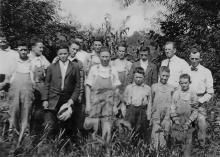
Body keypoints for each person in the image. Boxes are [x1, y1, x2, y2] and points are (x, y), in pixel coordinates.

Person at [42, 43, 80, 138]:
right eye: (60, 54)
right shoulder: (51, 67)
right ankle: (50, 147)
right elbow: (47, 84)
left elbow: (77, 86)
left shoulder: (74, 67)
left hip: (67, 99)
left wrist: (71, 100)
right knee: (50, 125)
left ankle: (65, 148)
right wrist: (45, 100)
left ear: (68, 53)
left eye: (65, 53)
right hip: (53, 99)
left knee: (66, 126)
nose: (63, 56)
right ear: (57, 54)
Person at [84, 47, 121, 144]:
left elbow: (116, 89)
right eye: (103, 56)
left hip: (108, 104)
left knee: (107, 128)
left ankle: (106, 151)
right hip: (95, 103)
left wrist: (115, 105)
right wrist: (88, 104)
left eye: (107, 56)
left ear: (110, 57)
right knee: (94, 129)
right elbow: (88, 87)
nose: (105, 59)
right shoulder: (94, 69)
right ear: (99, 57)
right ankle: (92, 152)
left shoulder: (113, 70)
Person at [8, 41, 35, 147]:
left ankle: (25, 136)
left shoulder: (31, 62)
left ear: (28, 51)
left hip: (27, 89)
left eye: (25, 50)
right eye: (21, 50)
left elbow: (34, 78)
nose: (23, 52)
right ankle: (12, 136)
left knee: (26, 111)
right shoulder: (14, 62)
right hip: (15, 89)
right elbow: (9, 77)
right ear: (17, 51)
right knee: (14, 110)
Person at [186, 46, 214, 146]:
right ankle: (188, 146)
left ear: (200, 59)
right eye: (192, 58)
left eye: (196, 59)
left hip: (200, 102)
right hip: (187, 100)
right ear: (189, 58)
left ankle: (202, 146)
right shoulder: (185, 70)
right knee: (187, 123)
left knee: (201, 123)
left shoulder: (206, 72)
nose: (194, 61)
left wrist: (200, 101)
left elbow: (210, 92)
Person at [170, 74, 198, 157]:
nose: (184, 85)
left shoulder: (193, 93)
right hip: (177, 120)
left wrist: (189, 122)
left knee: (187, 142)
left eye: (186, 83)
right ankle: (175, 153)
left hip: (188, 121)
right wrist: (175, 119)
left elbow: (195, 110)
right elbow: (172, 107)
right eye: (181, 83)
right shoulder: (176, 93)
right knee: (175, 139)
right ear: (179, 83)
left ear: (189, 82)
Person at [123, 67, 152, 141]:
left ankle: (140, 149)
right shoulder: (129, 88)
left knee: (141, 131)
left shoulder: (147, 88)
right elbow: (123, 102)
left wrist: (148, 116)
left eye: (140, 77)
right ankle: (128, 148)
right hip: (130, 112)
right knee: (129, 131)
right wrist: (124, 114)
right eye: (136, 77)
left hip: (142, 112)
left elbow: (149, 103)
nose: (138, 79)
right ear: (133, 76)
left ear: (144, 77)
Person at [151, 66, 174, 150]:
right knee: (155, 133)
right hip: (156, 114)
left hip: (167, 115)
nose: (164, 78)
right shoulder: (154, 86)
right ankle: (154, 151)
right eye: (163, 75)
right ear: (159, 75)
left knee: (164, 134)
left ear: (169, 76)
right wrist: (149, 114)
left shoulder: (171, 88)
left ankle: (163, 151)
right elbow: (151, 101)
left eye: (167, 76)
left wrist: (171, 115)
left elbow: (173, 103)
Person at [111, 43, 132, 116]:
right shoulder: (112, 63)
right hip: (116, 92)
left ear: (125, 52)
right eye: (119, 51)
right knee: (114, 112)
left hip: (125, 91)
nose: (121, 53)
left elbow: (130, 79)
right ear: (117, 51)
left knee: (124, 112)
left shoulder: (129, 64)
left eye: (123, 51)